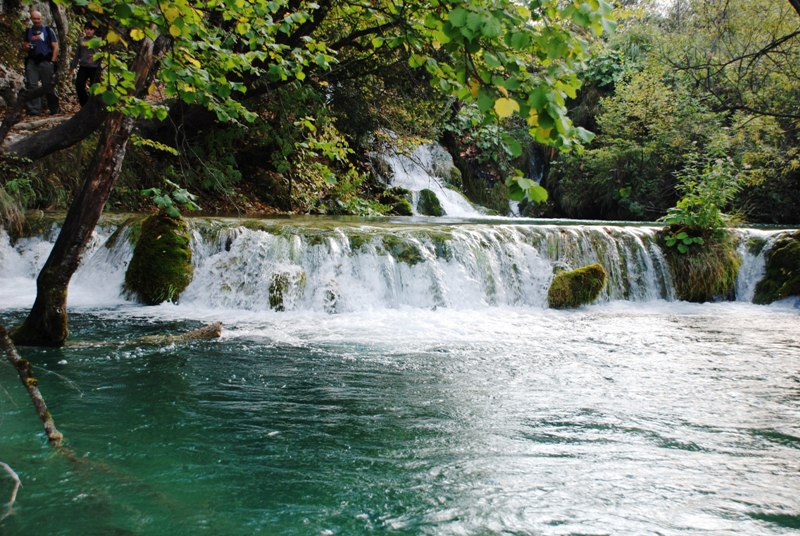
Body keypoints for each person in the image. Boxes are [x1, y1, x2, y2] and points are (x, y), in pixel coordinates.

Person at [20, 10, 60, 115]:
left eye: (38, 19)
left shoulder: (48, 30)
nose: (36, 21)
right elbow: (24, 46)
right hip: (32, 62)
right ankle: (34, 110)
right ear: (31, 19)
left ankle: (54, 108)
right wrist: (26, 47)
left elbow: (55, 47)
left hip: (46, 61)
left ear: (41, 19)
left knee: (48, 86)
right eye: (34, 19)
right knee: (32, 85)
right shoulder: (28, 31)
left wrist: (52, 61)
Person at [69, 23, 101, 107]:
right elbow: (77, 54)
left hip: (94, 68)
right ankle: (84, 104)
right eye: (87, 29)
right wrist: (72, 66)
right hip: (83, 66)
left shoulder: (98, 40)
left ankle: (94, 105)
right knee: (79, 85)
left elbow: (102, 54)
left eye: (90, 29)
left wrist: (96, 58)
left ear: (94, 30)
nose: (88, 31)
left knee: (94, 88)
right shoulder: (81, 40)